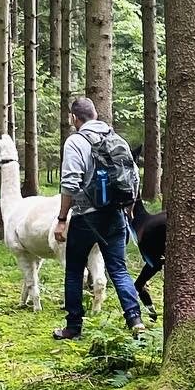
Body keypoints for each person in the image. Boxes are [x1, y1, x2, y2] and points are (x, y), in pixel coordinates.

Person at [52, 97, 144, 340]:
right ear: (95, 114)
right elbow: (134, 176)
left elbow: (69, 183)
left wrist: (62, 218)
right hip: (115, 214)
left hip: (85, 217)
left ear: (74, 118)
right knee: (119, 269)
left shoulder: (75, 141)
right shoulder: (116, 138)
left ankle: (73, 326)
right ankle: (135, 320)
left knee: (74, 270)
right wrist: (129, 207)